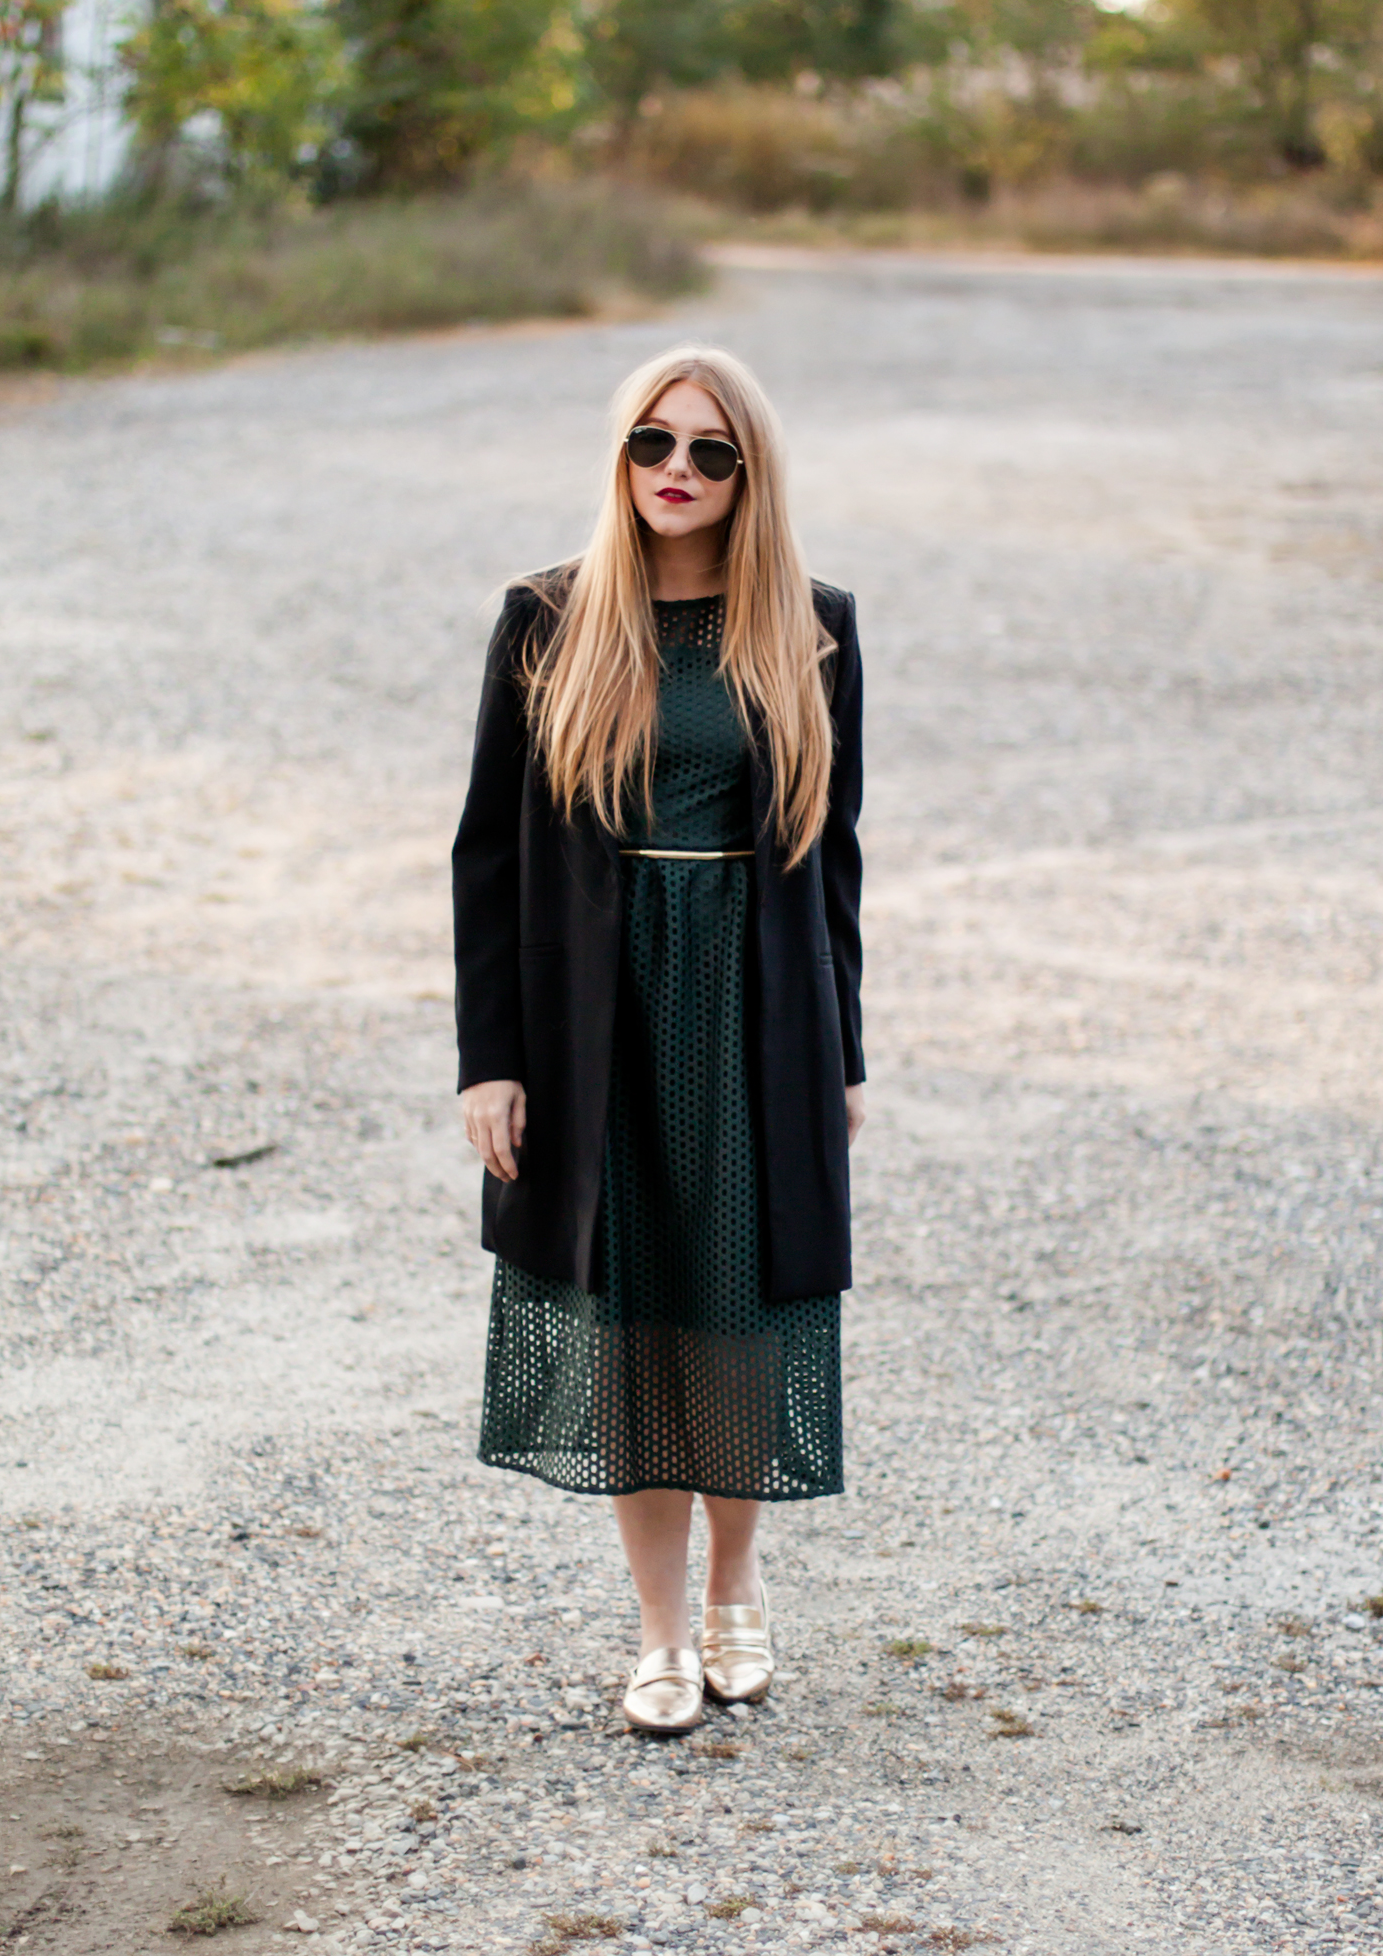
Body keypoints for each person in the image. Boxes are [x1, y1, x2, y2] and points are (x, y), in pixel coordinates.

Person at [452, 345, 864, 1735]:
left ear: (751, 476)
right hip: (598, 1016)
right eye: (651, 442)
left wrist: (844, 1054)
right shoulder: (546, 619)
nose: (676, 470)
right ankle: (657, 1631)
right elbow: (486, 858)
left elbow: (836, 857)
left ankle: (737, 1588)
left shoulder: (812, 628)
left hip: (755, 1009)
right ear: (621, 455)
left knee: (735, 1309)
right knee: (633, 1319)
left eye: (708, 451)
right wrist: (490, 1057)